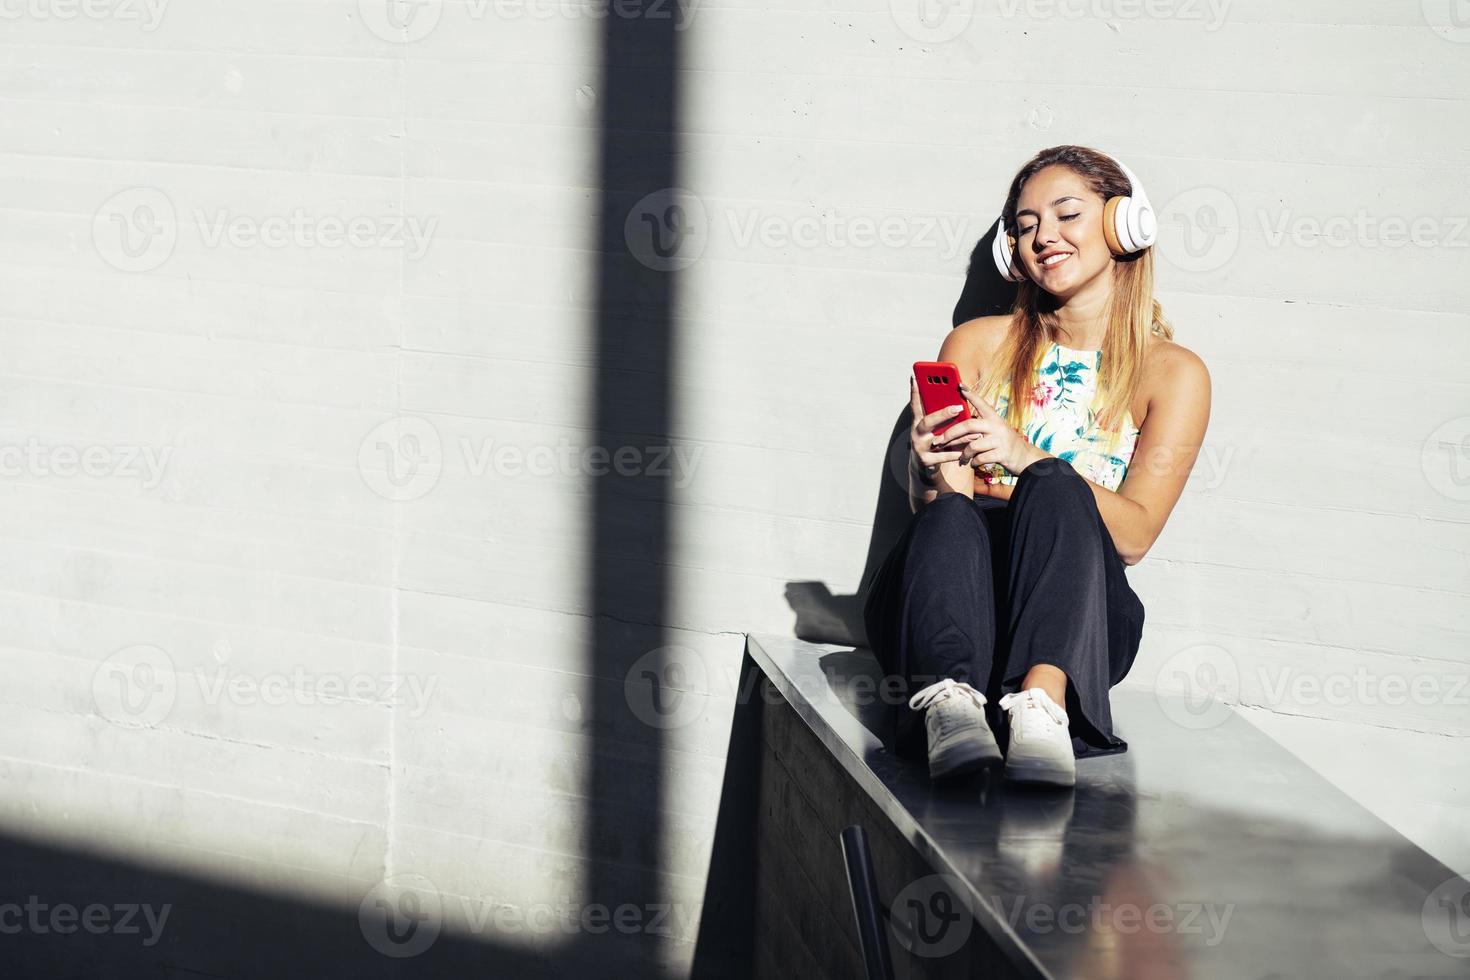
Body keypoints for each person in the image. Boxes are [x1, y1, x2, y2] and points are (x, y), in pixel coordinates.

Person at [862, 145, 1212, 787]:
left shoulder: (1174, 373)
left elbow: (1132, 538)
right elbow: (945, 515)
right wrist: (928, 468)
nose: (1043, 236)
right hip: (955, 612)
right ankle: (951, 710)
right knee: (951, 516)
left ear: (1121, 224)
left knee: (1053, 485)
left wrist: (1028, 457)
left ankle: (1042, 707)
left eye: (1066, 214)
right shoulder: (976, 343)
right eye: (1024, 227)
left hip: (1076, 620)